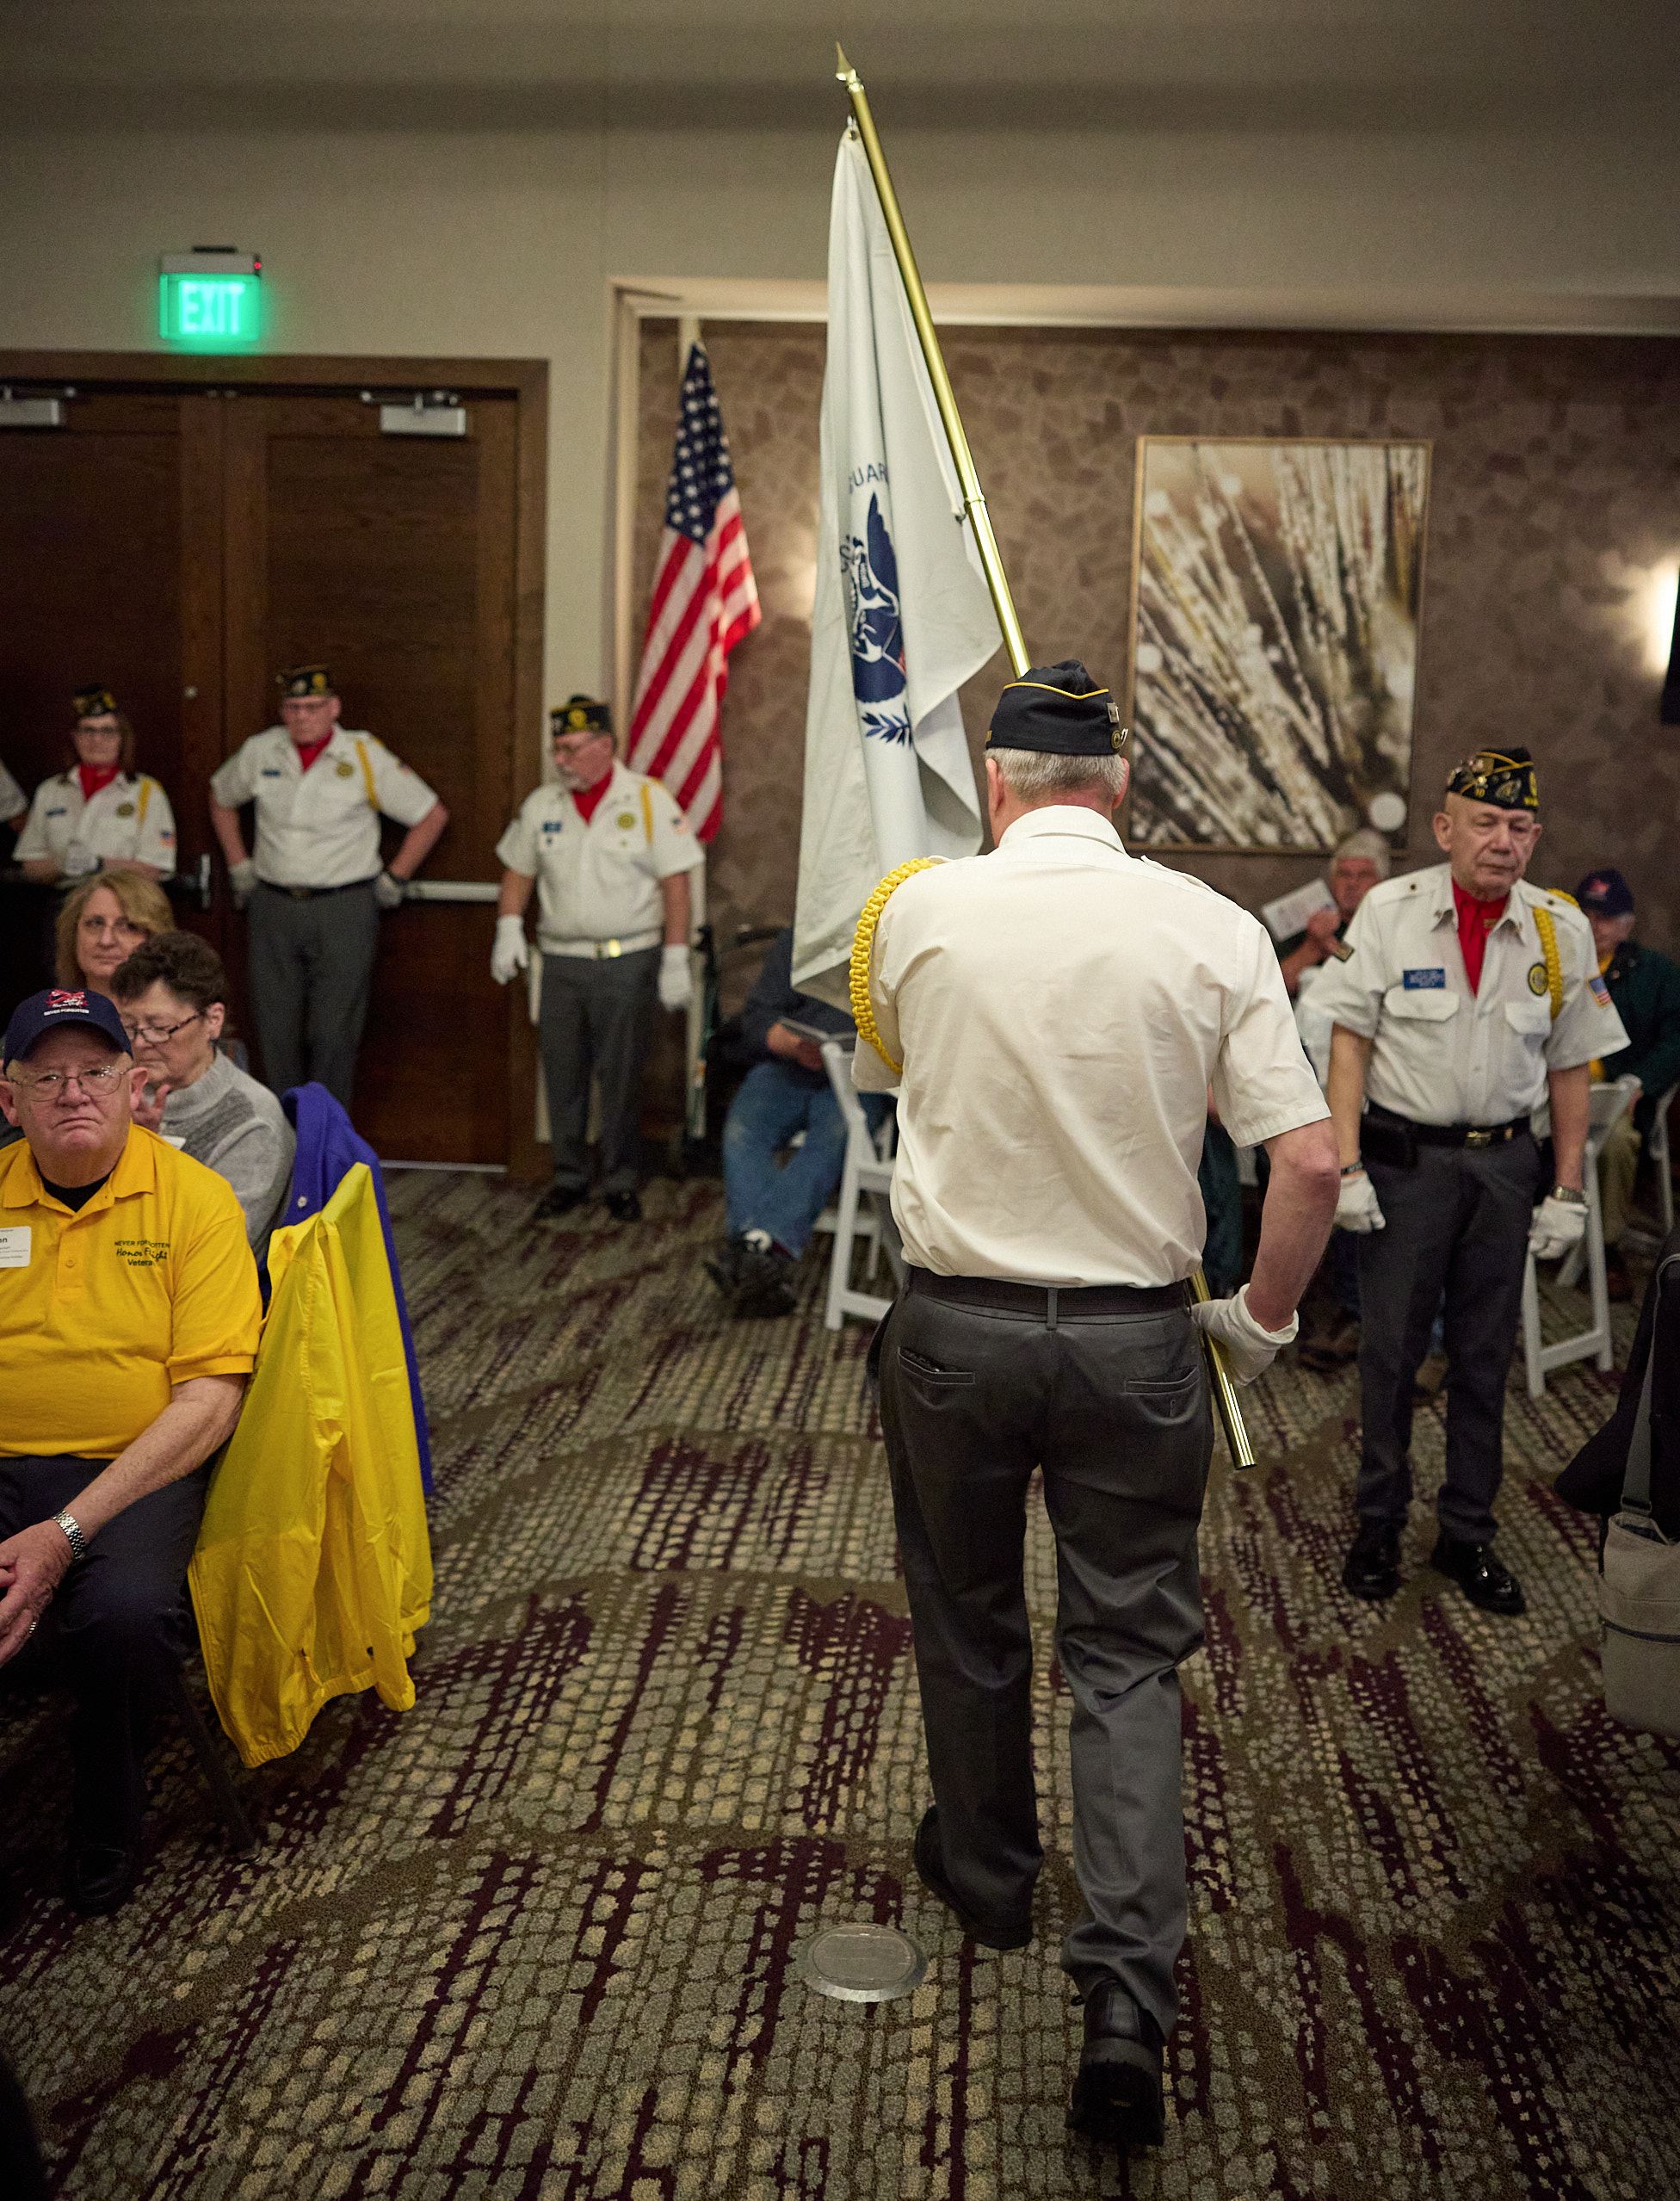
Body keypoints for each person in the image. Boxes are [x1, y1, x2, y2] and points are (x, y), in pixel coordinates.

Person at [852, 661, 1338, 2153]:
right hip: (1136, 1343)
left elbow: (889, 1063)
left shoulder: (916, 911)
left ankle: (990, 1879)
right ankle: (1125, 1994)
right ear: (1121, 786)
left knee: (968, 1617)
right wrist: (1260, 1322)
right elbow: (1310, 1162)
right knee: (1126, 1657)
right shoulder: (1213, 927)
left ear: (997, 785)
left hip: (955, 1330)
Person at [1314, 748, 1628, 1614]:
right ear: (1444, 828)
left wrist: (1568, 1188)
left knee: (1485, 1357)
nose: (1503, 842)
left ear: (1535, 836)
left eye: (1519, 827)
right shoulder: (1389, 911)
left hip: (1504, 1167)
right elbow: (1348, 1042)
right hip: (1405, 1167)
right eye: (1484, 823)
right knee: (1389, 1356)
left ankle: (1466, 1531)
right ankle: (1379, 1522)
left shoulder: (1559, 929)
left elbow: (1569, 1066)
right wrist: (1346, 1165)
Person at [0, 986, 261, 1913]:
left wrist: (65, 1531)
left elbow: (210, 1402)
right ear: (10, 1098)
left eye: (95, 1072)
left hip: (137, 1467)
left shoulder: (196, 1201)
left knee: (123, 1617)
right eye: (48, 1078)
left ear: (131, 1083)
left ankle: (107, 1803)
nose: (74, 1092)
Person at [491, 695, 702, 1222]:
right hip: (561, 963)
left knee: (621, 1074)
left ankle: (620, 1179)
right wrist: (508, 926)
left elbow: (676, 884)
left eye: (572, 749)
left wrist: (676, 956)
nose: (561, 760)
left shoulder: (648, 800)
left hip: (627, 959)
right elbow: (518, 871)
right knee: (562, 1072)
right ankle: (568, 1176)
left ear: (605, 746)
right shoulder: (543, 806)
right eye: (557, 749)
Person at [207, 665, 448, 1107]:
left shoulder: (362, 753)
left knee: (334, 1032)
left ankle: (326, 1136)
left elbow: (430, 815)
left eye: (313, 707)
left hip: (344, 907)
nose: (302, 716)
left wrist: (395, 876)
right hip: (274, 904)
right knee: (275, 1029)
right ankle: (278, 1134)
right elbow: (221, 797)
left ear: (334, 708)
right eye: (293, 707)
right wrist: (239, 865)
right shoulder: (262, 750)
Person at [705, 926, 892, 1316]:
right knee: (743, 1128)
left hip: (861, 1074)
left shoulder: (900, 934)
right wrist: (790, 1043)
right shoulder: (803, 934)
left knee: (835, 1134)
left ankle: (758, 1248)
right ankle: (762, 1256)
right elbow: (758, 1016)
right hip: (791, 1064)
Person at [110, 931, 296, 1257]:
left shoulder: (251, 1122)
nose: (139, 1043)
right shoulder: (116, 1089)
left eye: (159, 1027)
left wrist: (143, 1155)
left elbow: (216, 1254)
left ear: (213, 1020)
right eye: (129, 1027)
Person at [1573, 868, 1680, 1301]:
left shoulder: (1654, 973)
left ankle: (1605, 1248)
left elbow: (1677, 1037)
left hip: (1612, 1097)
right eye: (1585, 915)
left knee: (1616, 1142)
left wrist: (1642, 1081)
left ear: (1627, 924)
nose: (1593, 926)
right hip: (1546, 1089)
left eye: (1605, 917)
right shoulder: (1554, 963)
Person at [15, 685, 177, 886]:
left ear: (122, 738)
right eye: (88, 730)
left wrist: (99, 864)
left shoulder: (147, 791)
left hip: (123, 899)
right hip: (63, 898)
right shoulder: (50, 791)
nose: (97, 739)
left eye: (107, 731)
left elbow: (155, 869)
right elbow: (30, 866)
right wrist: (62, 864)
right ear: (75, 737)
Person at [54, 871, 174, 996]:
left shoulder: (179, 1008)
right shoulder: (51, 1006)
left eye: (128, 927)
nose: (106, 941)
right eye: (95, 923)